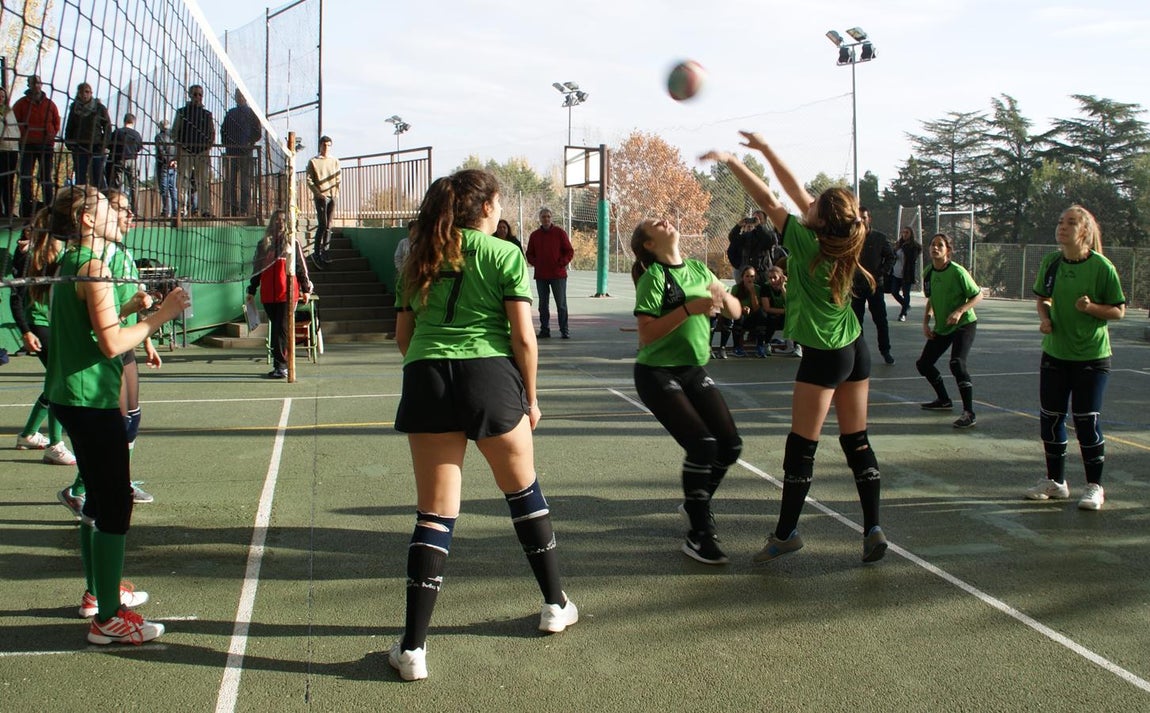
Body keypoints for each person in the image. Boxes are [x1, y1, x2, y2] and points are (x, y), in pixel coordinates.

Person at [390, 169, 576, 681]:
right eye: (497, 203)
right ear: (486, 208)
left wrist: (433, 372)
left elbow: (404, 335)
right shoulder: (504, 253)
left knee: (434, 514)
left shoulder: (420, 256)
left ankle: (412, 649)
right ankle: (555, 605)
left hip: (427, 375)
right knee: (523, 494)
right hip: (490, 377)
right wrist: (530, 398)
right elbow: (524, 338)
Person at [702, 131, 888, 564]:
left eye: (814, 204)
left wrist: (734, 161)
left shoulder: (806, 244)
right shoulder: (847, 240)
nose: (808, 202)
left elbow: (769, 197)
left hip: (825, 357)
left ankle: (786, 533)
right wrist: (766, 150)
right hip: (855, 348)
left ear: (820, 221)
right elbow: (794, 192)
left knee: (801, 446)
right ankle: (873, 527)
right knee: (857, 440)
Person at [44, 184, 189, 645]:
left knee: (98, 501)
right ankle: (108, 618)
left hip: (73, 396)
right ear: (87, 219)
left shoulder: (72, 262)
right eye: (109, 208)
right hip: (89, 398)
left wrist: (130, 309)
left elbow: (93, 327)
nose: (120, 214)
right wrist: (161, 316)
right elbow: (110, 344)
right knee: (114, 505)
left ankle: (98, 594)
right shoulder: (93, 266)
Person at [631, 217, 743, 564]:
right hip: (656, 372)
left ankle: (696, 502)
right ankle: (698, 535)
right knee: (703, 445)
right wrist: (688, 309)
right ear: (649, 245)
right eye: (656, 223)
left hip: (692, 369)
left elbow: (736, 312)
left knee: (730, 445)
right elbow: (646, 334)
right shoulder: (654, 278)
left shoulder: (698, 269)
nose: (664, 220)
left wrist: (724, 297)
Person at [1026, 205, 1126, 511]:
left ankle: (1094, 487)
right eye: (1060, 221)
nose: (1062, 227)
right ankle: (1055, 482)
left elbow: (1118, 310)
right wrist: (1045, 318)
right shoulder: (1052, 262)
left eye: (1070, 223)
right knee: (1051, 418)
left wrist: (1091, 308)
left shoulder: (1102, 267)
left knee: (1086, 421)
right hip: (1055, 353)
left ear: (1084, 231)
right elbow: (1043, 299)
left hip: (1091, 358)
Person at [8, 214, 78, 468]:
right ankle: (54, 445)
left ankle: (28, 434)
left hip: (55, 323)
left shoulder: (64, 255)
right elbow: (16, 298)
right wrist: (26, 331)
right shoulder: (30, 257)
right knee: (61, 381)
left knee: (54, 382)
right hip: (40, 324)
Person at [916, 233, 983, 429]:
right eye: (932, 244)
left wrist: (959, 311)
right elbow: (931, 299)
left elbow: (978, 296)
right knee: (924, 364)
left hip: (964, 324)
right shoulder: (928, 272)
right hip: (943, 326)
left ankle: (969, 413)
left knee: (957, 363)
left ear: (948, 251)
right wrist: (925, 322)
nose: (935, 248)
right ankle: (944, 400)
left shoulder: (958, 271)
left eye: (940, 245)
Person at [247, 210, 312, 379]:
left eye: (283, 220)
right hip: (269, 295)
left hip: (287, 294)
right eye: (276, 220)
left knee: (281, 329)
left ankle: (281, 366)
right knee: (276, 328)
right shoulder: (263, 245)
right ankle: (280, 365)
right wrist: (251, 290)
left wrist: (305, 289)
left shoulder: (292, 242)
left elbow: (300, 267)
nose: (279, 223)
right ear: (272, 223)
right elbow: (257, 269)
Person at [12, 75, 61, 217]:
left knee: (46, 177)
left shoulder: (50, 104)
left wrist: (50, 135)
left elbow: (56, 122)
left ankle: (49, 207)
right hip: (27, 145)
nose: (36, 86)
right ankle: (26, 208)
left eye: (38, 83)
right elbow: (15, 122)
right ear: (29, 85)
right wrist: (25, 134)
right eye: (33, 83)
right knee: (26, 176)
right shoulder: (21, 104)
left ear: (41, 84)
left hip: (46, 145)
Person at [851, 207, 895, 364]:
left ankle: (885, 350)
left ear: (869, 219)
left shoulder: (879, 238)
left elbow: (891, 257)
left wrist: (880, 273)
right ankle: (859, 354)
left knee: (881, 320)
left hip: (875, 286)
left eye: (864, 217)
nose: (861, 221)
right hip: (856, 287)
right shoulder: (851, 239)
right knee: (856, 322)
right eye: (858, 218)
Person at [525, 207, 574, 339]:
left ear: (551, 218)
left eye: (548, 216)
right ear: (540, 219)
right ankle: (544, 330)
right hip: (541, 276)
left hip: (558, 275)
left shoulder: (560, 233)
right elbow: (529, 254)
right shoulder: (534, 235)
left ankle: (564, 330)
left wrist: (561, 262)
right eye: (543, 217)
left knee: (561, 304)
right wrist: (537, 263)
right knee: (543, 305)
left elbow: (569, 251)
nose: (546, 219)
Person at [172, 84, 215, 217]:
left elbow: (212, 133)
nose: (197, 97)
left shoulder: (207, 114)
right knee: (183, 182)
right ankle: (181, 210)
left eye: (200, 95)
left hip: (202, 152)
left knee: (204, 182)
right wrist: (180, 148)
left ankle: (205, 210)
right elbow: (175, 132)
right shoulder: (182, 112)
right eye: (195, 94)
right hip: (186, 151)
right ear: (190, 95)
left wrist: (207, 147)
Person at [63, 82, 112, 189]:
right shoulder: (74, 108)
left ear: (91, 93)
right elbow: (69, 126)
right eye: (82, 92)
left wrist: (103, 145)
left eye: (87, 92)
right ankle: (81, 197)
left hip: (96, 147)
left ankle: (101, 196)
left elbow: (107, 127)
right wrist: (69, 143)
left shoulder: (99, 108)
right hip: (79, 147)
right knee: (80, 176)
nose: (84, 95)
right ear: (78, 94)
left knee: (98, 175)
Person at [220, 89, 261, 217]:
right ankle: (231, 209)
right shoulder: (230, 113)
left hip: (246, 152)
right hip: (232, 152)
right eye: (238, 96)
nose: (240, 98)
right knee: (230, 182)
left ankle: (244, 209)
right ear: (235, 97)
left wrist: (250, 142)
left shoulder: (252, 113)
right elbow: (223, 130)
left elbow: (257, 131)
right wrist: (227, 144)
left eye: (242, 95)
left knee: (245, 182)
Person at [306, 135, 340, 266]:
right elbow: (309, 180)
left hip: (332, 196)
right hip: (321, 197)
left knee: (329, 225)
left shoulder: (335, 161)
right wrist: (318, 194)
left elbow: (338, 178)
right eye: (324, 145)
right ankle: (316, 253)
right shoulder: (313, 161)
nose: (326, 148)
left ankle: (325, 251)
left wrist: (335, 193)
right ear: (320, 146)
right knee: (322, 224)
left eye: (328, 145)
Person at [106, 114, 143, 210]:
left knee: (118, 185)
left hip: (119, 159)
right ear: (133, 122)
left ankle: (118, 207)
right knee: (134, 185)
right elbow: (139, 148)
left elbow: (109, 145)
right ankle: (135, 209)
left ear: (124, 121)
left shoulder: (117, 132)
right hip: (132, 160)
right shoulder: (136, 134)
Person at [889, 226, 922, 322]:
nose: (904, 234)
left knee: (906, 293)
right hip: (896, 273)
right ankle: (906, 305)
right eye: (903, 232)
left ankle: (903, 314)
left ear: (911, 234)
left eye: (907, 232)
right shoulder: (899, 244)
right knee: (894, 292)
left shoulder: (914, 246)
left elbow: (912, 258)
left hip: (906, 274)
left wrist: (905, 248)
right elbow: (893, 255)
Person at [0, 86, 19, 217]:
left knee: (9, 181)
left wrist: (16, 138)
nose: (1, 98)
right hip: (1, 149)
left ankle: (8, 210)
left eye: (2, 96)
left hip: (12, 149)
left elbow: (14, 128)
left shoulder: (9, 111)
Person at [154, 119, 178, 217]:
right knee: (173, 188)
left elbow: (161, 151)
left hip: (164, 165)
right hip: (174, 165)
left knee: (164, 189)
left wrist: (168, 161)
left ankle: (166, 210)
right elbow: (177, 149)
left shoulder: (159, 137)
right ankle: (175, 210)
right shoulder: (173, 136)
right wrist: (175, 160)